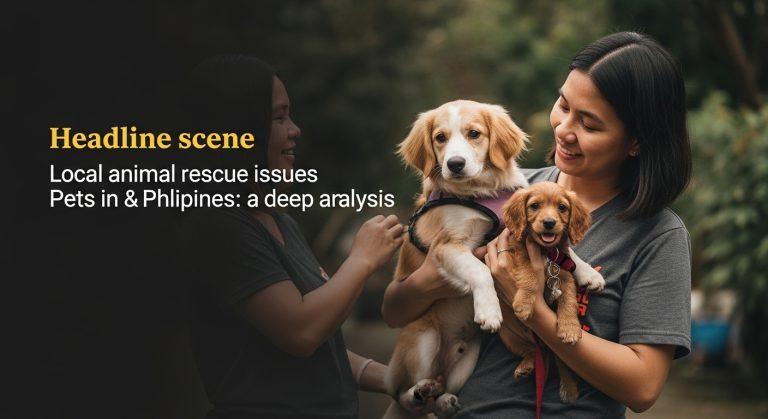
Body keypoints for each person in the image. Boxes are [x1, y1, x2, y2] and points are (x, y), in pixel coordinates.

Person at [382, 31, 692, 418]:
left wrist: (534, 310)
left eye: (589, 125)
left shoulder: (658, 236)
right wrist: (435, 276)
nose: (563, 129)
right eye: (563, 105)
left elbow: (642, 388)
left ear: (636, 142)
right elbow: (394, 312)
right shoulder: (498, 193)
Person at [181, 55, 402, 419]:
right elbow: (301, 332)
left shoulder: (282, 223)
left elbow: (323, 346)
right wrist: (363, 259)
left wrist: (395, 379)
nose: (295, 130)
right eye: (279, 117)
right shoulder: (220, 227)